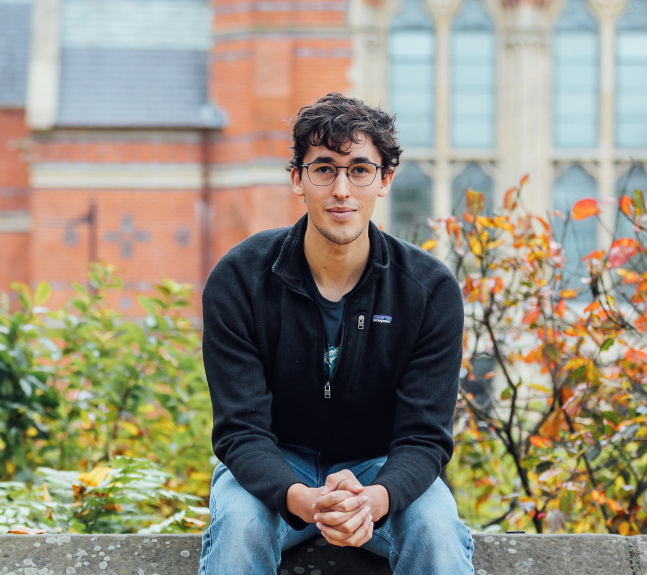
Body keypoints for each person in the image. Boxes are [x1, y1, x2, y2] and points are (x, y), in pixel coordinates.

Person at [196, 93, 473, 575]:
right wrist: (303, 500)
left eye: (359, 170)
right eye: (323, 169)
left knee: (436, 530)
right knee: (239, 528)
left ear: (384, 179)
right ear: (297, 180)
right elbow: (240, 431)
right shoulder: (240, 279)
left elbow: (425, 437)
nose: (341, 189)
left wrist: (375, 500)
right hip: (276, 469)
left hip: (382, 470)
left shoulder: (429, 290)